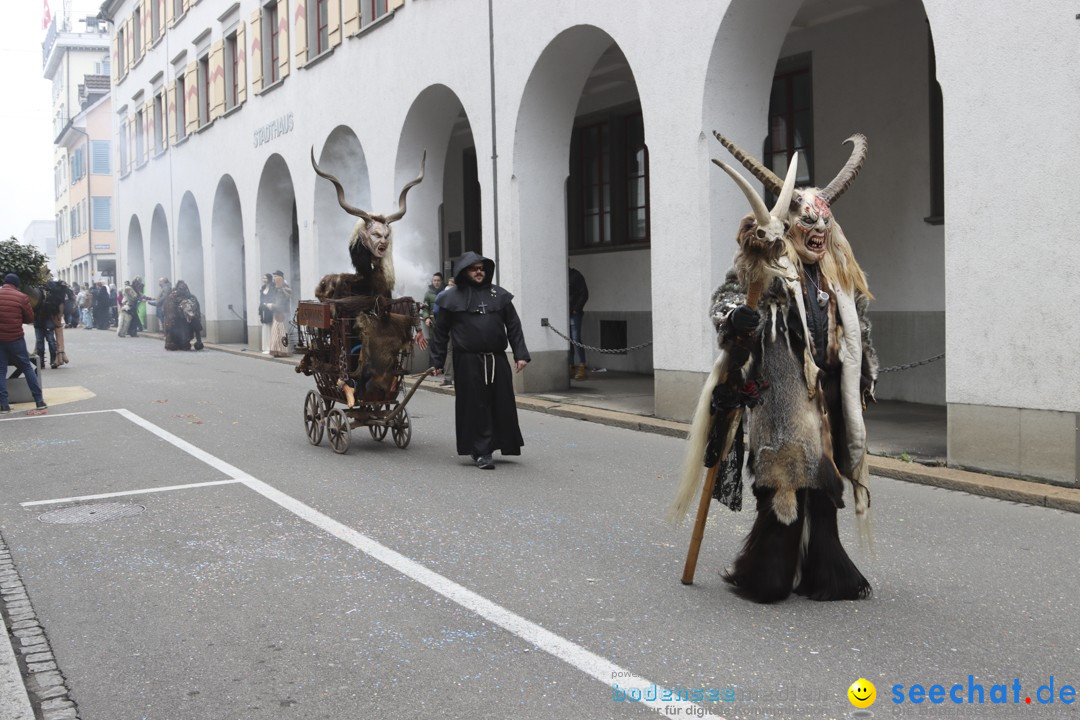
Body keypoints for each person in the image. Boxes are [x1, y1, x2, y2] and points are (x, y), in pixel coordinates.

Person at [675, 134, 877, 603]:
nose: (818, 232)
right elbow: (727, 302)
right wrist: (737, 319)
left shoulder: (839, 275)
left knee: (825, 491)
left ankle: (824, 572)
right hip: (781, 394)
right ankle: (769, 573)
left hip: (827, 396)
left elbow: (859, 333)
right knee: (783, 491)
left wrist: (863, 376)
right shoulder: (766, 265)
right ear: (792, 226)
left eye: (824, 224)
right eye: (809, 223)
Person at [429, 252, 530, 470]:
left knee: (501, 403)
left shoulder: (498, 295)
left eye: (481, 268)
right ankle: (480, 451)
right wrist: (437, 361)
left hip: (497, 359)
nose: (479, 272)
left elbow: (513, 325)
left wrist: (520, 354)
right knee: (475, 405)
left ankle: (498, 444)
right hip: (467, 361)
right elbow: (441, 333)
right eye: (474, 268)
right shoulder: (451, 298)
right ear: (464, 272)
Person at [0, 274, 47, 415]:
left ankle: (4, 405)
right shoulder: (21, 297)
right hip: (16, 338)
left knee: (1, 371)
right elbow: (29, 318)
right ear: (17, 284)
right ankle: (39, 401)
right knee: (26, 367)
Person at [161, 280, 204, 351]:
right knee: (172, 330)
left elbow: (196, 309)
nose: (183, 290)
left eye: (184, 288)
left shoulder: (191, 297)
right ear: (177, 288)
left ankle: (198, 341)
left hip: (187, 320)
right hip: (176, 320)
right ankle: (171, 342)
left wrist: (194, 315)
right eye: (181, 288)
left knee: (195, 324)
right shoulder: (172, 298)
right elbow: (168, 310)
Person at [568, 267, 589, 380]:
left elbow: (584, 294)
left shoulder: (576, 276)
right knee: (568, 339)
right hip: (564, 313)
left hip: (574, 312)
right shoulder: (561, 276)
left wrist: (576, 309)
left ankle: (582, 366)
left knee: (576, 339)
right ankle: (571, 366)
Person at [268, 270, 292, 358]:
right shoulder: (280, 289)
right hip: (280, 313)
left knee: (281, 332)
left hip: (281, 313)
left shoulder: (281, 290)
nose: (274, 279)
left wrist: (271, 306)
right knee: (277, 332)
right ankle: (278, 351)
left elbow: (280, 304)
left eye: (275, 277)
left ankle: (282, 351)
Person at [257, 273, 275, 354]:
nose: (264, 279)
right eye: (263, 278)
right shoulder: (262, 288)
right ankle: (265, 347)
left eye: (265, 278)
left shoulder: (272, 288)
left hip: (270, 310)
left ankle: (270, 347)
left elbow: (273, 298)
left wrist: (268, 304)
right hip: (263, 309)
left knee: (270, 328)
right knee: (265, 328)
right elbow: (261, 299)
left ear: (269, 279)